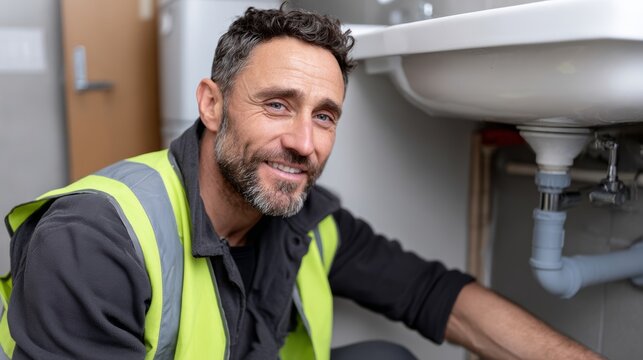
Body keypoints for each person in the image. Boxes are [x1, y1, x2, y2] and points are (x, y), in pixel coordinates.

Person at [0, 6, 604, 360]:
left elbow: (435, 294)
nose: (304, 142)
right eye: (277, 104)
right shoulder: (95, 241)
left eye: (323, 115)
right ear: (213, 105)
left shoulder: (306, 218)